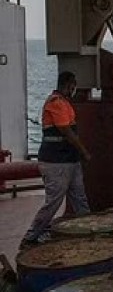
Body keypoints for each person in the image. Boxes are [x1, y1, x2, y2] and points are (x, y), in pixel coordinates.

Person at [21, 71, 91, 247]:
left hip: (70, 161)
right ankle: (31, 236)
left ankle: (90, 229)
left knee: (79, 198)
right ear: (67, 85)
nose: (74, 89)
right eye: (73, 85)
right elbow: (66, 132)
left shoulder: (65, 103)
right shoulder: (56, 103)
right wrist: (84, 152)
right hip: (56, 162)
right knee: (54, 201)